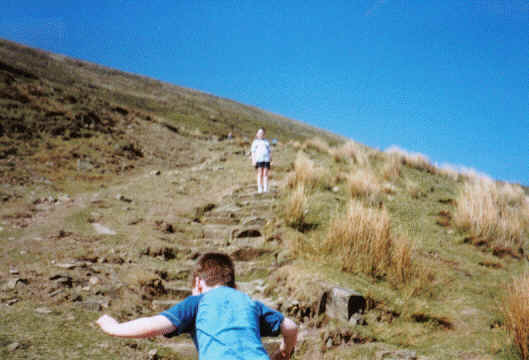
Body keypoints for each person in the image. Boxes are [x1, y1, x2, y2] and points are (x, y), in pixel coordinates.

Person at [96, 252, 297, 360]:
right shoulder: (249, 302)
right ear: (234, 286)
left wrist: (114, 328)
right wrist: (283, 351)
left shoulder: (199, 302)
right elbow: (290, 327)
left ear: (199, 284)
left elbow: (154, 325)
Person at [251, 128, 272, 193]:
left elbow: (269, 151)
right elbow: (253, 152)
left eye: (262, 133)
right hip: (259, 159)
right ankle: (260, 189)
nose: (261, 134)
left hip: (266, 159)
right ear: (257, 134)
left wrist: (270, 159)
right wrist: (253, 160)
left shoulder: (266, 142)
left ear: (264, 134)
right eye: (259, 133)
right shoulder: (255, 142)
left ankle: (265, 188)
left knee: (265, 174)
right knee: (260, 173)